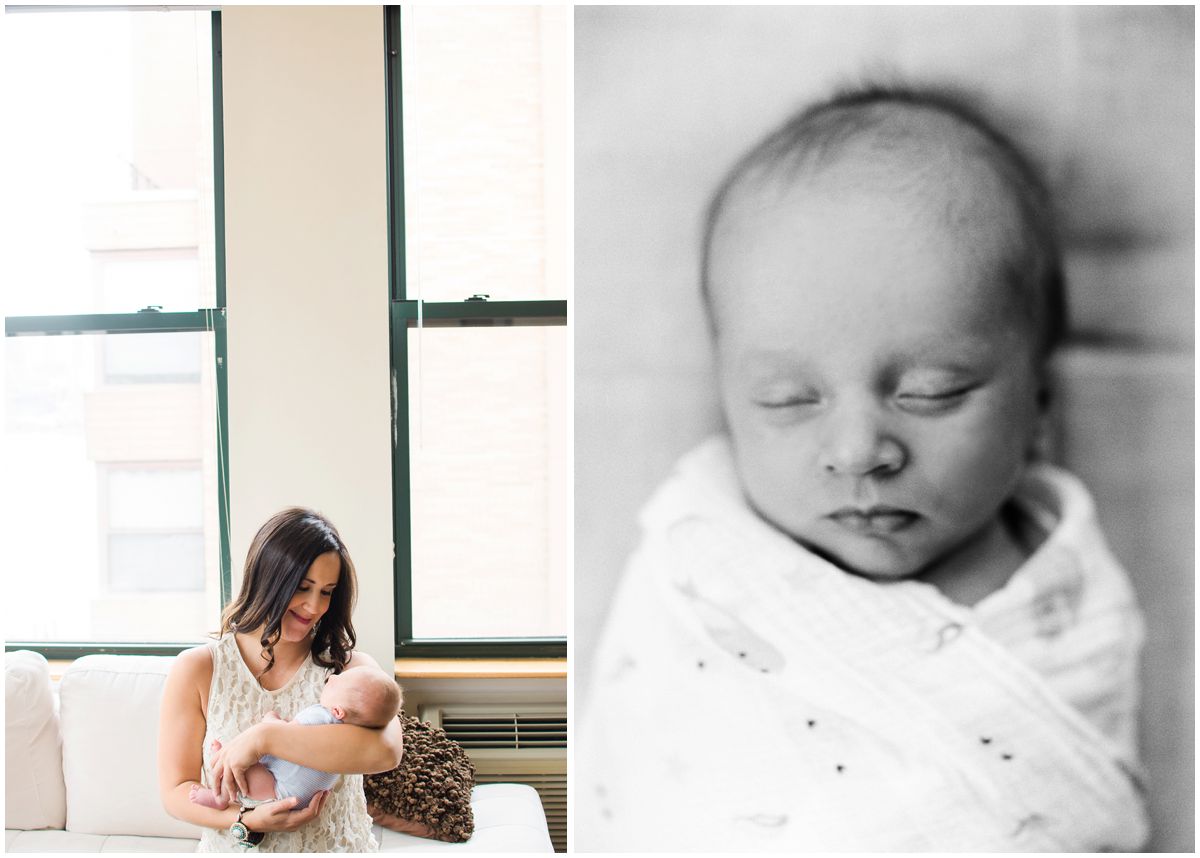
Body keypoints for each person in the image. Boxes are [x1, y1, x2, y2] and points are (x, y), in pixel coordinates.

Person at [578, 85, 1147, 851]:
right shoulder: (700, 565)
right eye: (787, 400)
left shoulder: (1072, 604)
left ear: (1038, 405)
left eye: (930, 392)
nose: (858, 452)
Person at [158, 507, 408, 852]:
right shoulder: (199, 669)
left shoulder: (350, 672)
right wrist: (246, 820)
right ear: (269, 579)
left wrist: (266, 737)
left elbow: (387, 752)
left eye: (326, 591)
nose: (313, 606)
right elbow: (175, 791)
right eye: (303, 587)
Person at [188, 664, 401, 813]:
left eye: (337, 682)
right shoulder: (351, 730)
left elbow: (287, 733)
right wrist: (246, 822)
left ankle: (220, 797)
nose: (333, 677)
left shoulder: (321, 715)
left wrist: (267, 725)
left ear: (338, 711)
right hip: (301, 798)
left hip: (279, 790)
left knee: (236, 770)